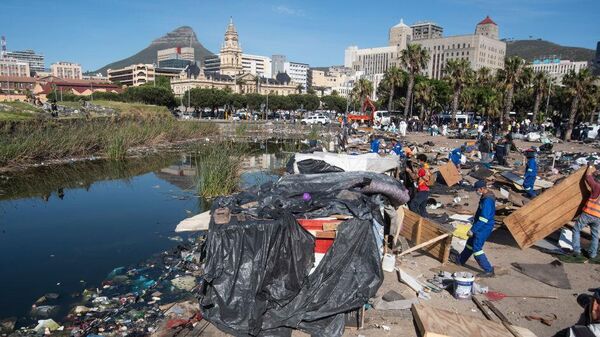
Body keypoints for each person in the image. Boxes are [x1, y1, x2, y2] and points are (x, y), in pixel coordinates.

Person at [456, 180, 496, 277]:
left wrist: (473, 230)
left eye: (477, 189)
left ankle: (488, 270)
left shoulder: (487, 200)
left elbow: (484, 218)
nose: (476, 191)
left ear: (482, 189)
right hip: (479, 225)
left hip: (483, 227)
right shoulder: (485, 196)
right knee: (470, 243)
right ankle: (460, 260)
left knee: (477, 248)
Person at [560, 168, 600, 264]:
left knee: (576, 230)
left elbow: (588, 177)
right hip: (598, 217)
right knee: (595, 235)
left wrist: (590, 167)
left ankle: (576, 251)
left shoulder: (597, 187)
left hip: (588, 213)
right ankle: (592, 255)